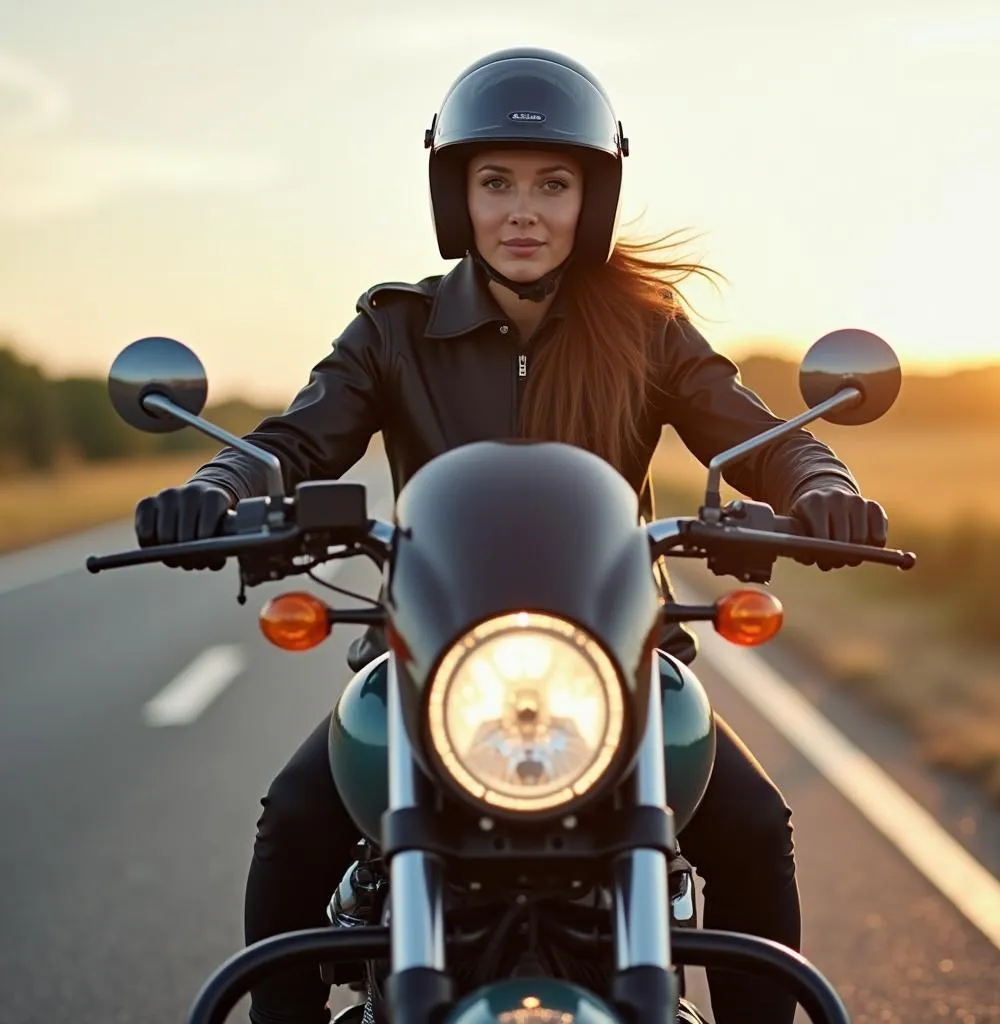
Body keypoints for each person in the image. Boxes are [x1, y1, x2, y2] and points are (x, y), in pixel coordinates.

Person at [135, 48, 888, 1024]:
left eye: (552, 183)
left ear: (593, 198)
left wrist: (824, 485)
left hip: (618, 665)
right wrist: (216, 484)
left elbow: (752, 434)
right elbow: (291, 442)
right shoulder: (392, 332)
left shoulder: (648, 330)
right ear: (458, 196)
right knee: (294, 824)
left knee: (751, 825)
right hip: (421, 666)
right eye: (495, 182)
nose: (522, 210)